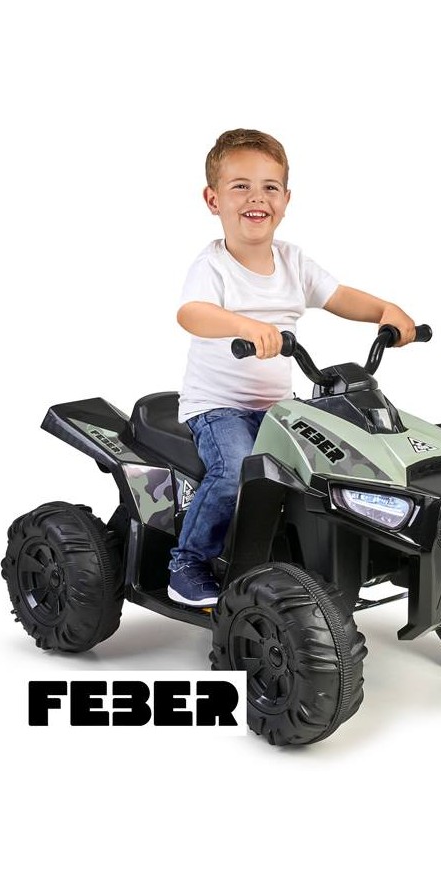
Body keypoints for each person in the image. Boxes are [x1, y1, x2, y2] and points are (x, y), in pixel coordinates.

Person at [167, 128, 417, 607]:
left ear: (285, 199)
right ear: (213, 199)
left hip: (280, 409)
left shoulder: (293, 262)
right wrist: (245, 326)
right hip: (219, 408)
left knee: (337, 463)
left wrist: (386, 311)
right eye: (240, 186)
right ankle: (188, 562)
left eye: (269, 187)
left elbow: (339, 297)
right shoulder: (212, 266)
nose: (256, 197)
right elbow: (192, 313)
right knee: (236, 470)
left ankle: (323, 556)